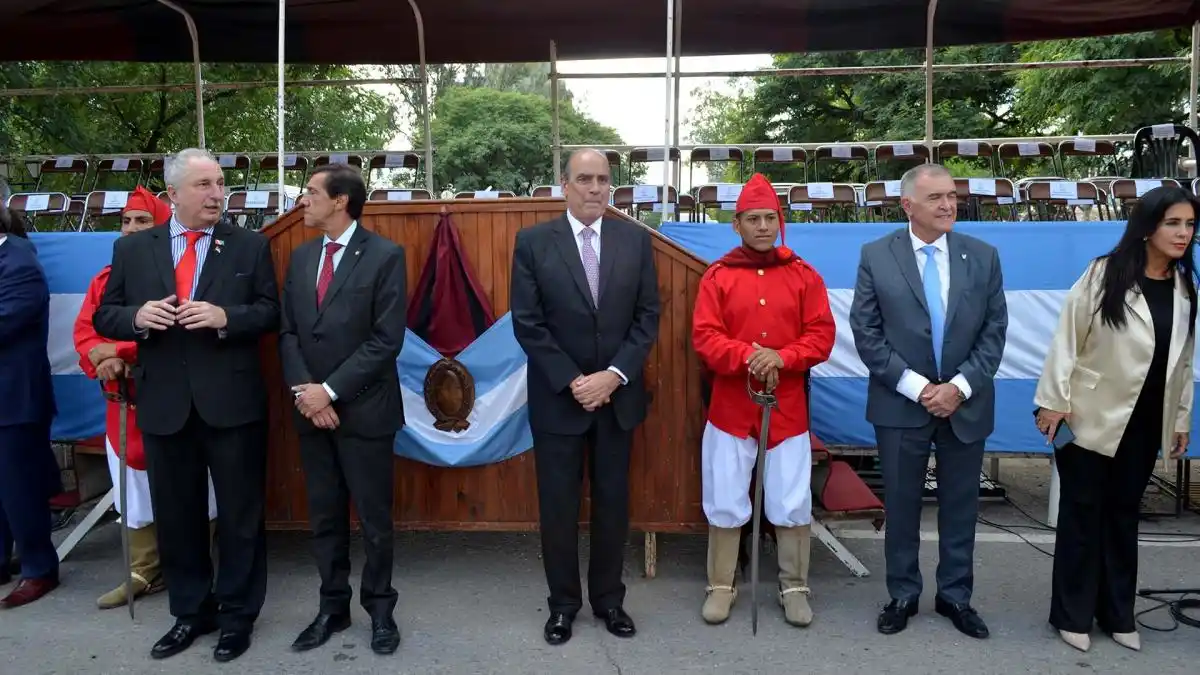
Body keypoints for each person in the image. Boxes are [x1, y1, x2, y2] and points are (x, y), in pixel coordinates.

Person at [93, 149, 280, 663]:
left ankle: (238, 616)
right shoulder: (134, 250)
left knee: (241, 515)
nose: (217, 194)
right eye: (203, 185)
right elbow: (106, 315)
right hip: (165, 403)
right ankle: (190, 612)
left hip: (232, 401)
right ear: (172, 194)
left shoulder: (248, 245)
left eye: (220, 183)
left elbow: (268, 311)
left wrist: (224, 316)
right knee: (178, 515)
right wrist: (137, 316)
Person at [1034, 186, 1197, 653]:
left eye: (1189, 225)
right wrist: (1052, 401)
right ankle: (1072, 614)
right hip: (1089, 416)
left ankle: (1118, 613)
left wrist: (1179, 420)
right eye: (1173, 223)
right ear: (1148, 226)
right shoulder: (1104, 274)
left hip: (1146, 423)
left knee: (1124, 518)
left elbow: (1182, 363)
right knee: (1082, 516)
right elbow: (1067, 338)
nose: (1183, 233)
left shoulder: (1186, 288)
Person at [849, 163, 1007, 639]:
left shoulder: (983, 256)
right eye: (936, 197)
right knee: (901, 506)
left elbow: (994, 332)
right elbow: (867, 333)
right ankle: (903, 593)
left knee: (961, 507)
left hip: (965, 404)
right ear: (907, 206)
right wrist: (919, 388)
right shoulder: (876, 256)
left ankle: (956, 596)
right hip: (901, 405)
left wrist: (958, 387)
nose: (948, 204)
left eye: (952, 195)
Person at [511, 148, 661, 646]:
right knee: (558, 507)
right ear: (565, 185)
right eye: (585, 179)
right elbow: (527, 324)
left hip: (617, 399)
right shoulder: (533, 243)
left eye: (602, 179)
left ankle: (609, 601)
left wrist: (613, 375)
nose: (596, 188)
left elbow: (647, 317)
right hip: (560, 400)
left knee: (612, 505)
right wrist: (575, 380)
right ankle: (562, 606)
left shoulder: (635, 241)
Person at [692, 173, 836, 627]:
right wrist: (749, 355)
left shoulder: (804, 276)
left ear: (780, 221)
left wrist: (784, 355)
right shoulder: (717, 278)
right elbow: (705, 337)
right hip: (731, 408)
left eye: (769, 218)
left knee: (791, 498)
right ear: (736, 224)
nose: (762, 227)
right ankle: (720, 584)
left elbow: (822, 335)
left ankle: (794, 586)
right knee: (725, 495)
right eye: (752, 219)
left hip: (787, 408)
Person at [280, 164, 407, 656]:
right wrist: (306, 395)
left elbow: (385, 340)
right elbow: (289, 333)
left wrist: (329, 392)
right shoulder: (301, 256)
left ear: (340, 201)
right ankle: (332, 608)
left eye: (311, 192)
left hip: (365, 412)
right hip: (310, 412)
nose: (303, 200)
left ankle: (380, 611)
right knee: (325, 518)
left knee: (374, 522)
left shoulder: (384, 256)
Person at [73, 186, 219, 610]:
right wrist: (99, 359)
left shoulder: (180, 274)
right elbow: (87, 331)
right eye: (126, 221)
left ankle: (194, 567)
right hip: (123, 404)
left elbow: (173, 335)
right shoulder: (104, 278)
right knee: (133, 490)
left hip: (176, 397)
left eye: (143, 221)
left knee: (196, 487)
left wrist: (117, 351)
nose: (132, 228)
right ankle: (144, 570)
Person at [0, 207, 61, 609]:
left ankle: (40, 569)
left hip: (14, 397)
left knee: (19, 489)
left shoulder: (19, 261)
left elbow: (5, 321)